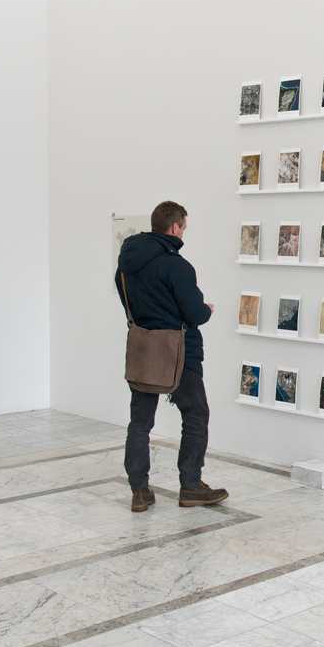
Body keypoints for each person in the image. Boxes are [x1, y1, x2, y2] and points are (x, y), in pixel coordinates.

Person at [115, 201, 229, 512]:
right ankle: (190, 485)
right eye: (184, 228)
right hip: (179, 352)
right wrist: (206, 310)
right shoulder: (177, 266)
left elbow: (129, 303)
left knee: (140, 422)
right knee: (196, 415)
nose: (183, 234)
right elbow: (193, 313)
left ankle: (139, 491)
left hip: (143, 349)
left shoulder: (126, 264)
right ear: (175, 227)